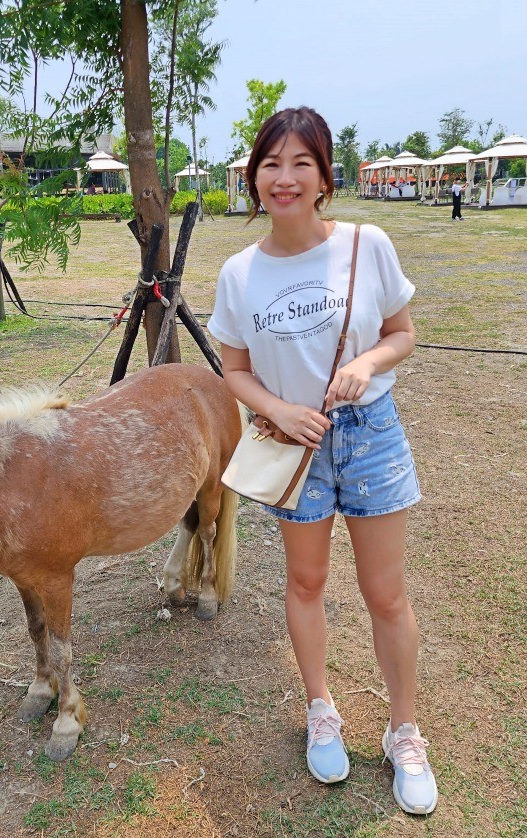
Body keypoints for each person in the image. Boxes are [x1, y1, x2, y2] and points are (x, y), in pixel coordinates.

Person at [207, 107, 437, 815]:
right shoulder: (240, 273)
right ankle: (321, 710)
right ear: (254, 177)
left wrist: (366, 362)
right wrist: (274, 409)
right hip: (292, 444)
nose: (284, 177)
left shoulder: (368, 245)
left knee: (384, 593)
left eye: (300, 163)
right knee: (305, 582)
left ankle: (405, 732)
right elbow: (233, 371)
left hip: (369, 433)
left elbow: (402, 334)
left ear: (323, 176)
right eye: (271, 164)